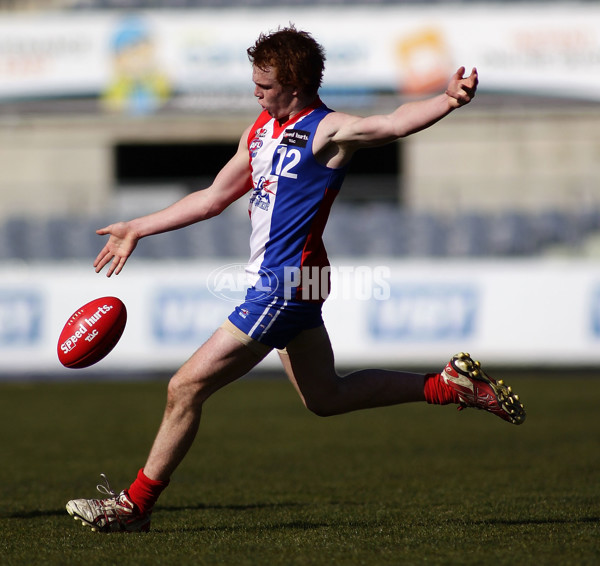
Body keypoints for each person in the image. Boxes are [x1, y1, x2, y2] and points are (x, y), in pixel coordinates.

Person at [66, 26, 525, 533]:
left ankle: (134, 507)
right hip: (288, 284)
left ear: (297, 84)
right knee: (325, 397)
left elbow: (390, 123)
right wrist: (138, 227)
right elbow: (214, 196)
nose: (256, 92)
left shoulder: (328, 130)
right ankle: (445, 387)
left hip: (283, 286)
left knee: (185, 386)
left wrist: (446, 100)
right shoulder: (259, 130)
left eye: (264, 85)